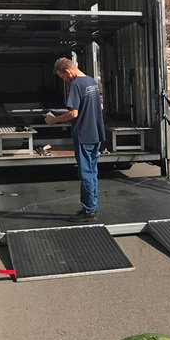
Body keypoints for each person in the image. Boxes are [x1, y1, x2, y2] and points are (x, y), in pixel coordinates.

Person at [45, 58, 106, 221]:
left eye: (62, 77)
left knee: (85, 172)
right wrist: (75, 118)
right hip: (96, 133)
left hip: (84, 135)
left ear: (67, 71)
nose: (64, 80)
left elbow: (74, 113)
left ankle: (89, 210)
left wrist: (54, 120)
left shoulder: (76, 85)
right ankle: (92, 205)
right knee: (92, 171)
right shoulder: (92, 82)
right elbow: (99, 106)